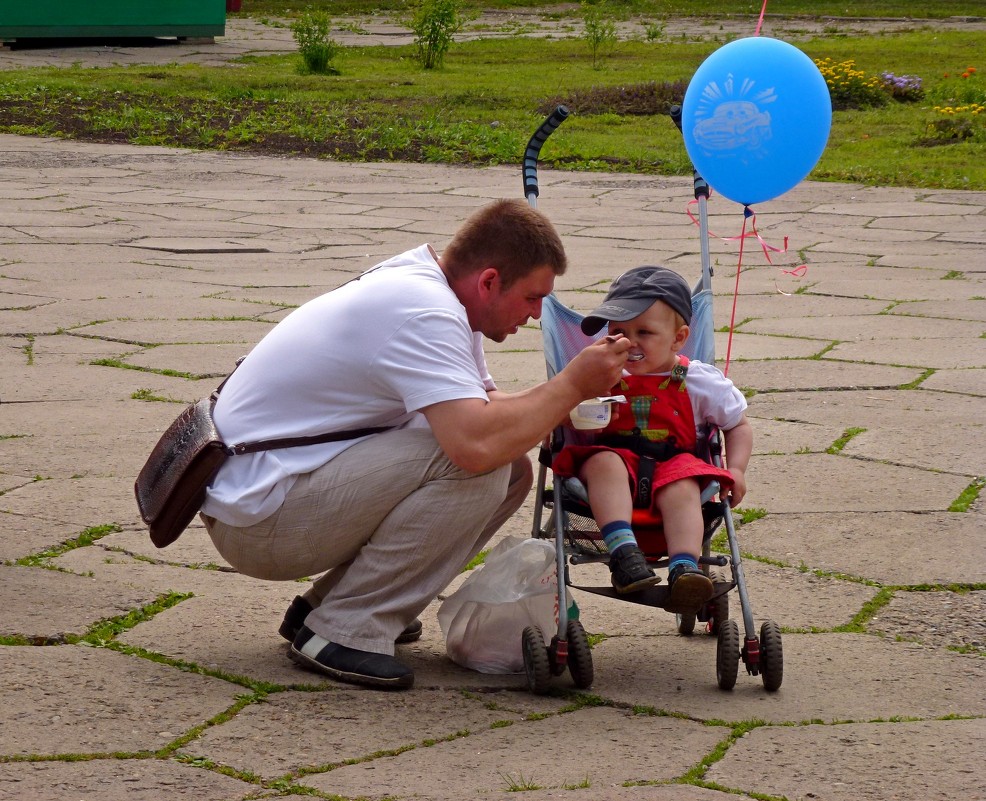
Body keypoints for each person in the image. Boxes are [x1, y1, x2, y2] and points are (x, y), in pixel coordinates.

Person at [199, 198, 632, 690]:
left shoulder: (436, 289)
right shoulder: (426, 313)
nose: (536, 315)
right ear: (489, 281)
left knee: (510, 468)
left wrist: (562, 405)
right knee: (480, 464)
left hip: (265, 492)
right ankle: (344, 630)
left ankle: (326, 607)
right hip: (261, 523)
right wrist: (571, 385)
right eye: (533, 298)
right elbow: (474, 444)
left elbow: (489, 409)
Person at [552, 266, 752, 613]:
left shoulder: (699, 380)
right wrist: (583, 414)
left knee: (685, 482)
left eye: (644, 332)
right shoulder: (597, 372)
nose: (629, 342)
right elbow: (561, 419)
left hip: (673, 464)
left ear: (678, 338)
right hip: (614, 465)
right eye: (617, 332)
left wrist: (736, 468)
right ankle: (624, 555)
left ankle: (685, 571)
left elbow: (738, 425)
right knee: (602, 462)